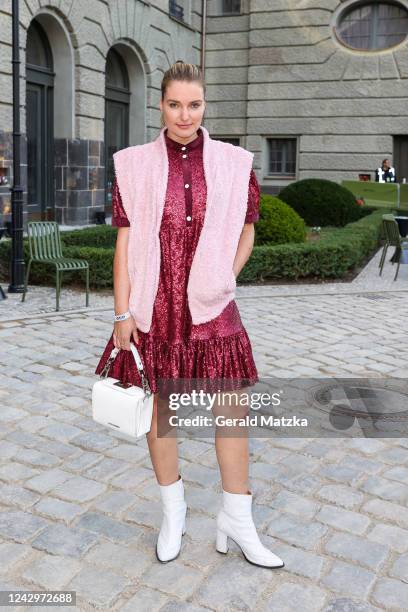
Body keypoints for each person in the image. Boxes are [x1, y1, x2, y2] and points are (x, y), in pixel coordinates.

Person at [95, 61, 284, 570]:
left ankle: (237, 521)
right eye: (175, 104)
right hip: (154, 306)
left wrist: (226, 274)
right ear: (161, 105)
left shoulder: (233, 161)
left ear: (205, 105)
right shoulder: (133, 164)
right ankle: (173, 514)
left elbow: (247, 229)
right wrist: (123, 311)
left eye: (194, 104)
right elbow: (125, 244)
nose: (185, 114)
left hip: (211, 303)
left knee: (232, 410)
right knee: (162, 412)